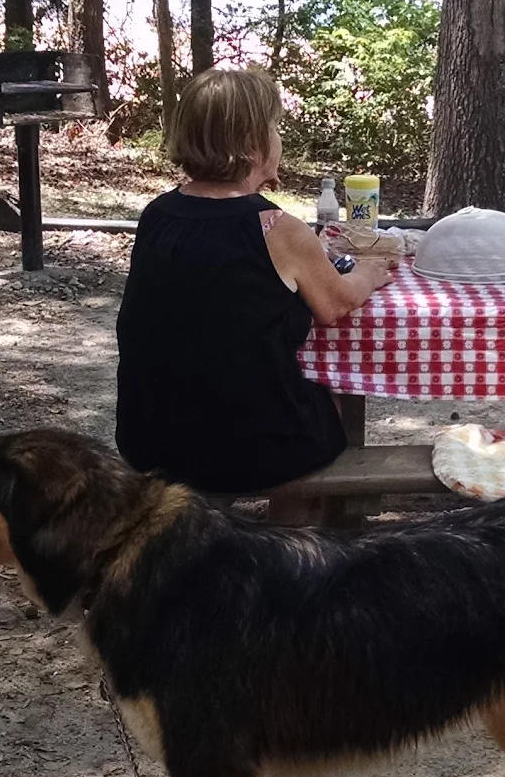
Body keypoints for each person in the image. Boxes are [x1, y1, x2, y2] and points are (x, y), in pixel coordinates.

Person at [114, 68, 393, 499]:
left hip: (149, 443)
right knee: (331, 400)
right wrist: (369, 274)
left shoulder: (156, 216)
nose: (278, 138)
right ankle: (324, 529)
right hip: (254, 452)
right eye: (274, 127)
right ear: (251, 145)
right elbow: (336, 305)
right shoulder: (277, 228)